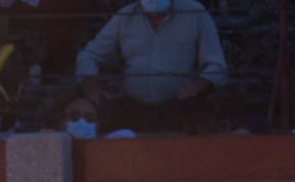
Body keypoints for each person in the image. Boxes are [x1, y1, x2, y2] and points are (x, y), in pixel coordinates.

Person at [75, 0, 227, 134]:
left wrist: (198, 85)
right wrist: (90, 84)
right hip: (131, 106)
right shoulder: (125, 16)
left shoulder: (194, 12)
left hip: (178, 105)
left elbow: (216, 65)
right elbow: (89, 55)